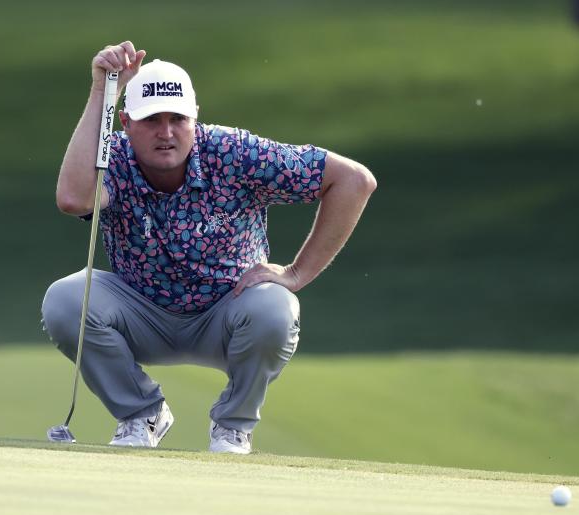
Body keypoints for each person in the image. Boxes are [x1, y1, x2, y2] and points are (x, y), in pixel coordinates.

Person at [42, 42, 376, 454]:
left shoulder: (234, 152)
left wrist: (296, 273)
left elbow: (354, 181)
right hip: (142, 314)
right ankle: (140, 415)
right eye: (151, 121)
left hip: (229, 316)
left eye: (177, 119)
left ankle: (233, 428)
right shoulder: (116, 157)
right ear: (126, 123)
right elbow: (74, 199)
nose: (166, 133)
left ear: (194, 120)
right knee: (65, 300)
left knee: (275, 307)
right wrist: (100, 92)